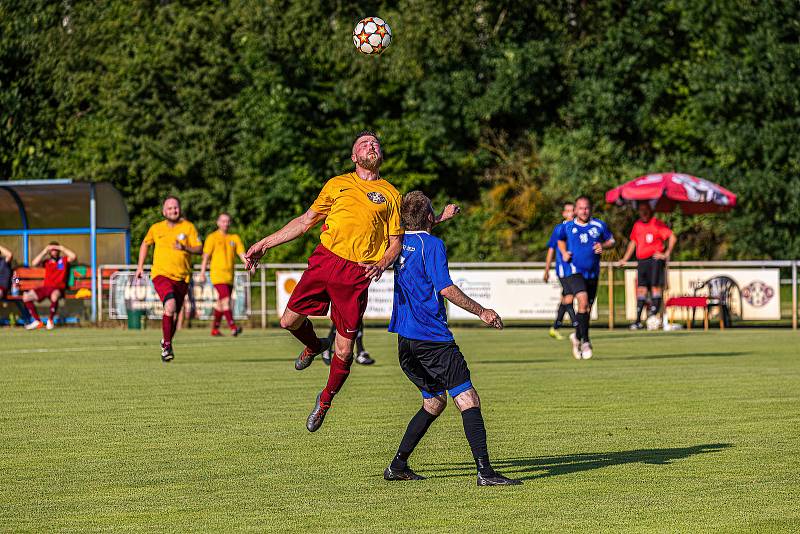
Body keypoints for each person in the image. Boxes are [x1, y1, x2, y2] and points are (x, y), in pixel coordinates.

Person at [245, 130, 457, 432]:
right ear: (354, 157)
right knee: (288, 321)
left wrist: (382, 262)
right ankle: (314, 345)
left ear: (380, 155)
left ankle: (325, 400)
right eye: (364, 144)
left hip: (357, 274)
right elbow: (305, 221)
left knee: (344, 351)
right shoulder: (337, 184)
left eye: (375, 144)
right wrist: (265, 243)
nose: (371, 146)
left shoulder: (391, 194)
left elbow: (396, 242)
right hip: (325, 260)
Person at [383, 191, 521, 486]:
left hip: (405, 341)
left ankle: (397, 466)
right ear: (430, 217)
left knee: (434, 402)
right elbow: (445, 288)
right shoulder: (433, 245)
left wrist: (438, 219)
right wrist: (482, 311)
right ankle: (485, 472)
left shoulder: (396, 244)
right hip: (432, 338)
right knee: (467, 398)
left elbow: (415, 234)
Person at [135, 196, 202, 362]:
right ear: (164, 211)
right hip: (161, 274)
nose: (173, 210)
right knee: (170, 306)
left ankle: (166, 342)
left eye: (176, 207)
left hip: (182, 277)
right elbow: (145, 244)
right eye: (170, 208)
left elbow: (200, 248)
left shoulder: (188, 227)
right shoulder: (156, 228)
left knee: (175, 313)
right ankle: (166, 346)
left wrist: (185, 247)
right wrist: (140, 266)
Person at [556, 196, 615, 359]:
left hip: (593, 273)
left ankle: (577, 336)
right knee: (582, 301)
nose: (584, 211)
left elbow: (612, 240)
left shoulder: (598, 225)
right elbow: (559, 240)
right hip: (574, 271)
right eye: (581, 208)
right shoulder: (567, 226)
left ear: (591, 209)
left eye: (587, 208)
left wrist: (603, 245)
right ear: (575, 210)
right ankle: (586, 341)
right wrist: (563, 253)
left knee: (586, 309)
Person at [617, 203, 677, 329]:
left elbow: (672, 237)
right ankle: (638, 320)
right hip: (642, 261)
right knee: (641, 290)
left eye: (646, 210)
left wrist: (666, 253)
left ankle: (653, 318)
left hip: (655, 260)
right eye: (641, 210)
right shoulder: (637, 225)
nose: (643, 213)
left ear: (650, 211)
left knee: (656, 288)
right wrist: (625, 259)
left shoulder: (656, 223)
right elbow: (633, 243)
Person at [199, 213, 246, 337]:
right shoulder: (212, 237)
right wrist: (202, 272)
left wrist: (248, 264)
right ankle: (233, 327)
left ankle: (214, 329)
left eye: (228, 221)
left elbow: (242, 253)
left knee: (221, 304)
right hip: (217, 275)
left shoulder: (234, 238)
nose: (225, 223)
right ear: (218, 222)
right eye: (223, 221)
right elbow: (206, 256)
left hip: (229, 276)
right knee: (226, 300)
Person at [23, 242, 77, 330]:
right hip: (46, 288)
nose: (54, 251)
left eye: (56, 250)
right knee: (26, 297)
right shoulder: (46, 262)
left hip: (58, 288)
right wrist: (44, 251)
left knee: (54, 296)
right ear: (49, 252)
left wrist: (62, 248)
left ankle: (50, 320)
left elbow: (74, 256)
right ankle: (37, 321)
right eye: (52, 250)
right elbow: (34, 263)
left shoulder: (63, 260)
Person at [543, 201, 576, 340]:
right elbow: (551, 249)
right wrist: (546, 268)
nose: (570, 213)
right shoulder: (559, 229)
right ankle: (577, 325)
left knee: (566, 298)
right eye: (567, 211)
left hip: (575, 269)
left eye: (572, 210)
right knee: (570, 296)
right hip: (563, 269)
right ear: (563, 213)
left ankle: (555, 327)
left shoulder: (578, 228)